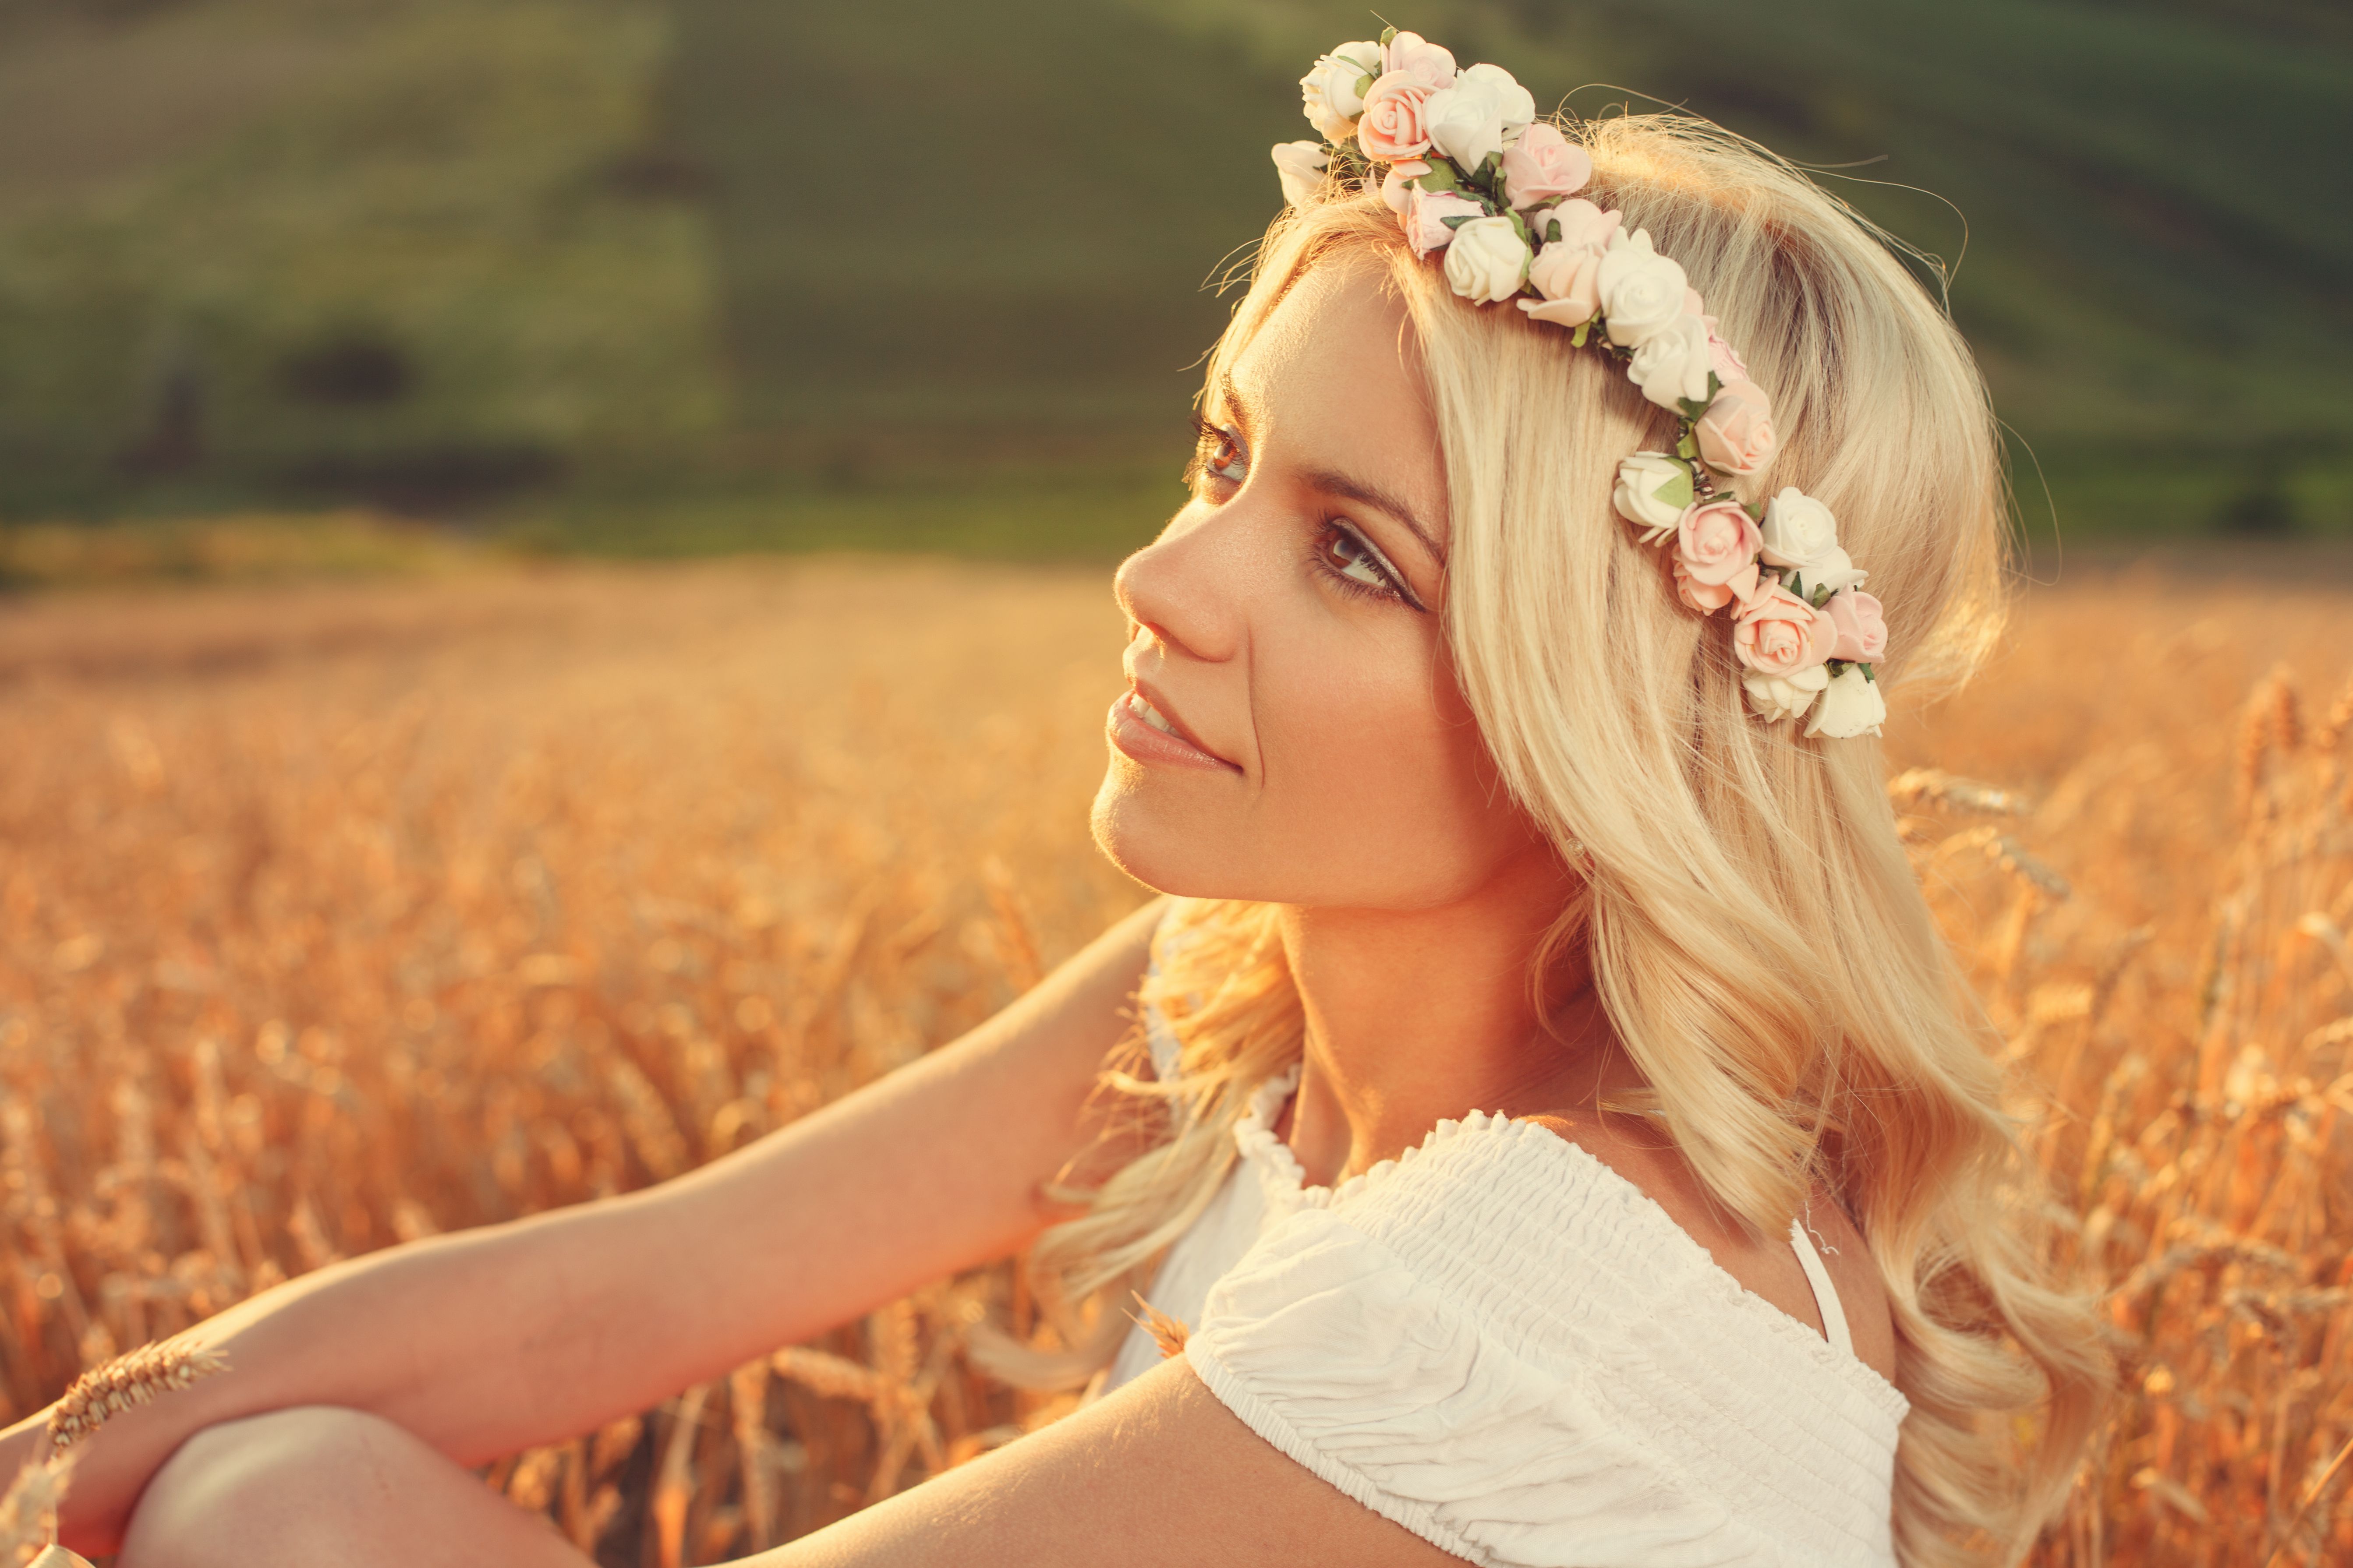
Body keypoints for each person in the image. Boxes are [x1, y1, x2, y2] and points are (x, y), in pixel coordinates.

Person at [0, 27, 2109, 1568]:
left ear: (1610, 722)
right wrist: (43, 1465)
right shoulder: (1239, 996)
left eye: (1355, 555)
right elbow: (616, 1289)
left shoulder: (1557, 1272)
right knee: (279, 1486)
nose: (1160, 581)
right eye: (1220, 463)